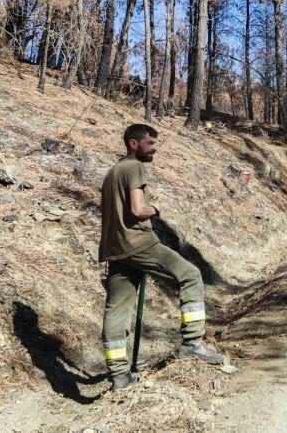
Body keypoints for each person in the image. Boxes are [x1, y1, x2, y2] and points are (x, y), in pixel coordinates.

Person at [99, 123, 225, 389]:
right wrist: (154, 209)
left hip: (115, 250)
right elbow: (137, 209)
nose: (155, 150)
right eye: (151, 144)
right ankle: (192, 342)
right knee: (191, 276)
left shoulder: (112, 173)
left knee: (117, 309)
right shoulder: (134, 168)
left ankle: (119, 373)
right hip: (139, 243)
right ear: (133, 144)